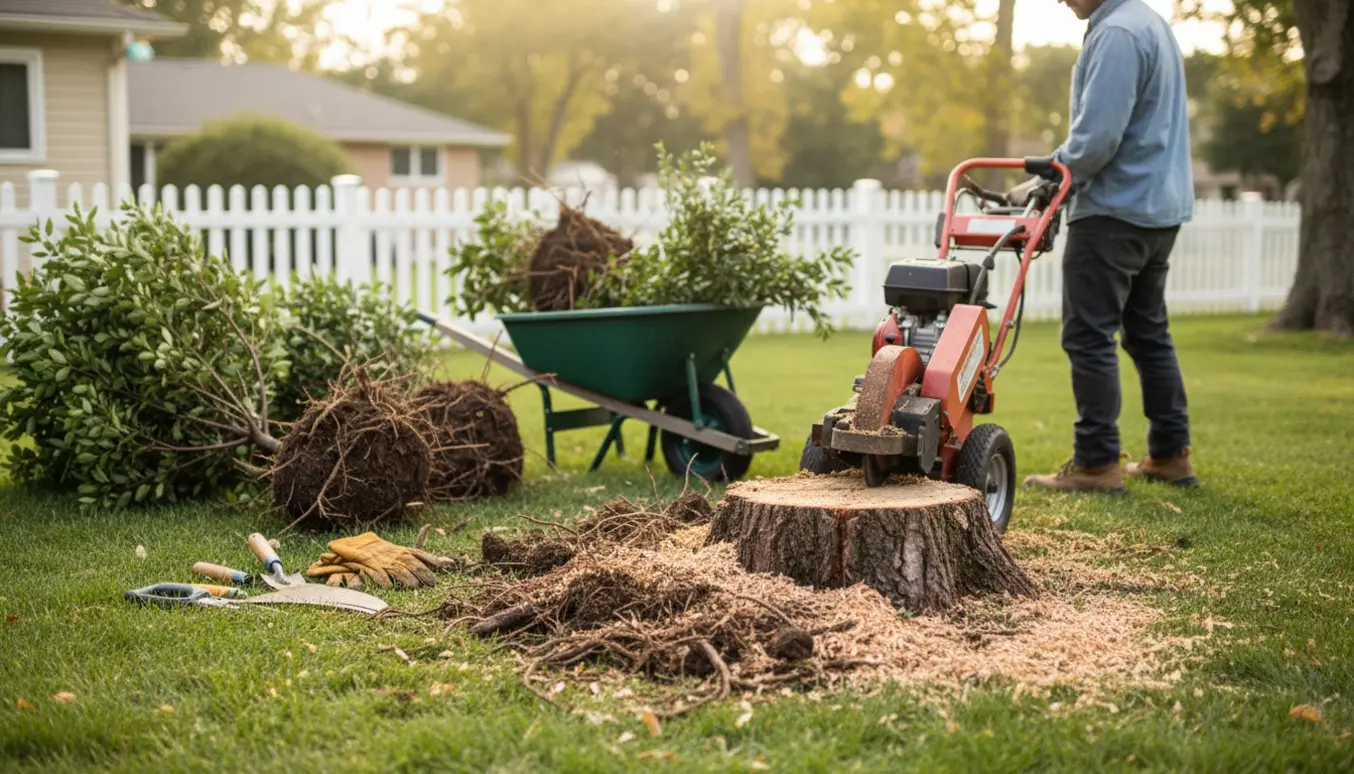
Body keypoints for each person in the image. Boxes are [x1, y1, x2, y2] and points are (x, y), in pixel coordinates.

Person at [1010, 0, 1198, 492]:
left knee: (1088, 335)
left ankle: (1095, 463)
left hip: (1114, 211)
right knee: (1148, 334)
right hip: (1158, 211)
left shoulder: (1117, 33)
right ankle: (1170, 455)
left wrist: (1047, 178)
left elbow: (1096, 139)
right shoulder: (1150, 24)